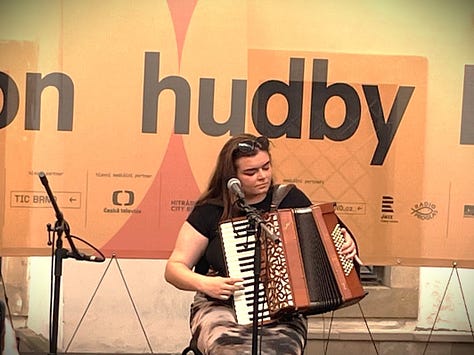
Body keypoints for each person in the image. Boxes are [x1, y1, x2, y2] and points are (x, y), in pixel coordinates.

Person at [165, 134, 359, 355]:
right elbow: (174, 268)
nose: (262, 176)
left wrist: (345, 245)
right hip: (222, 307)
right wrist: (205, 284)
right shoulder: (211, 211)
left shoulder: (290, 200)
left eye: (266, 167)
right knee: (229, 349)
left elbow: (330, 237)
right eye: (251, 172)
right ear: (232, 178)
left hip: (282, 311)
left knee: (280, 350)